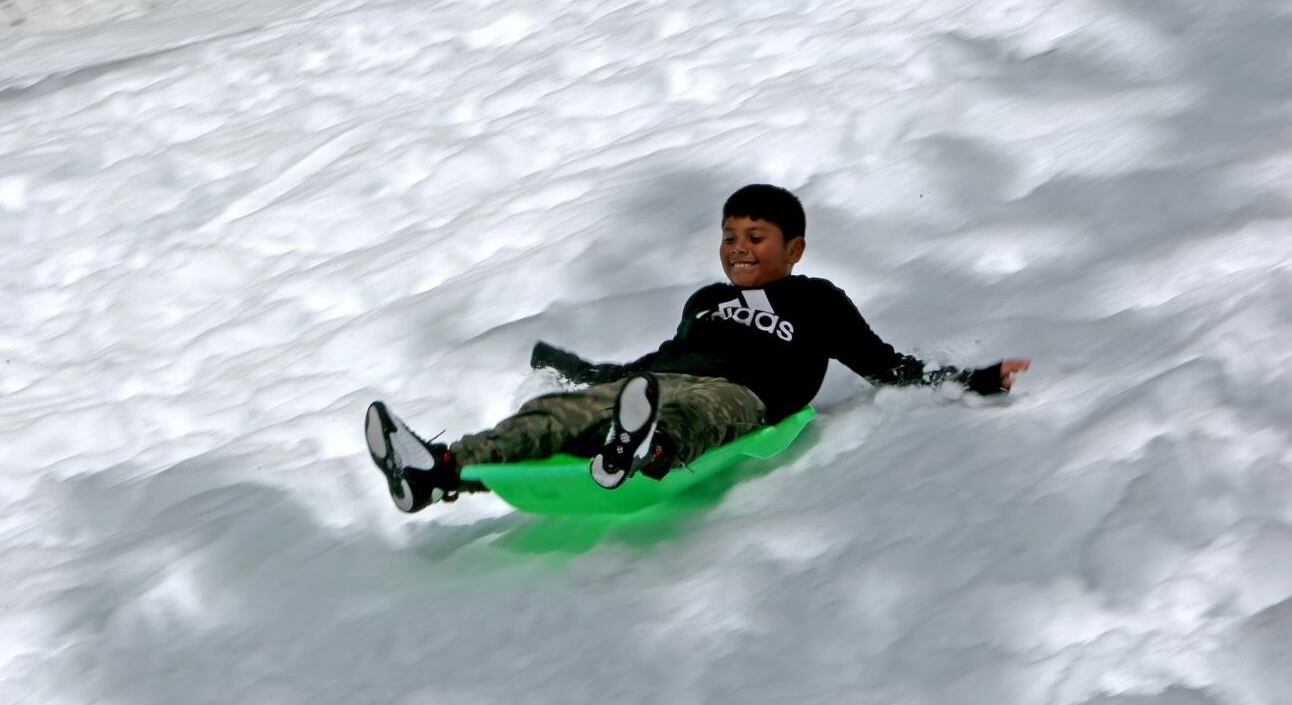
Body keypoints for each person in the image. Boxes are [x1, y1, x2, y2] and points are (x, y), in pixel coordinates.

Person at [365, 184, 1031, 513]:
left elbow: (885, 366)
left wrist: (972, 379)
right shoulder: (705, 301)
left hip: (744, 392)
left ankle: (646, 447)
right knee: (549, 421)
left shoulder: (817, 301)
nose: (739, 247)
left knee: (696, 412)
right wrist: (576, 371)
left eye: (757, 236)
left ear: (794, 250)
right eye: (730, 235)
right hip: (659, 383)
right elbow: (644, 366)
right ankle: (438, 471)